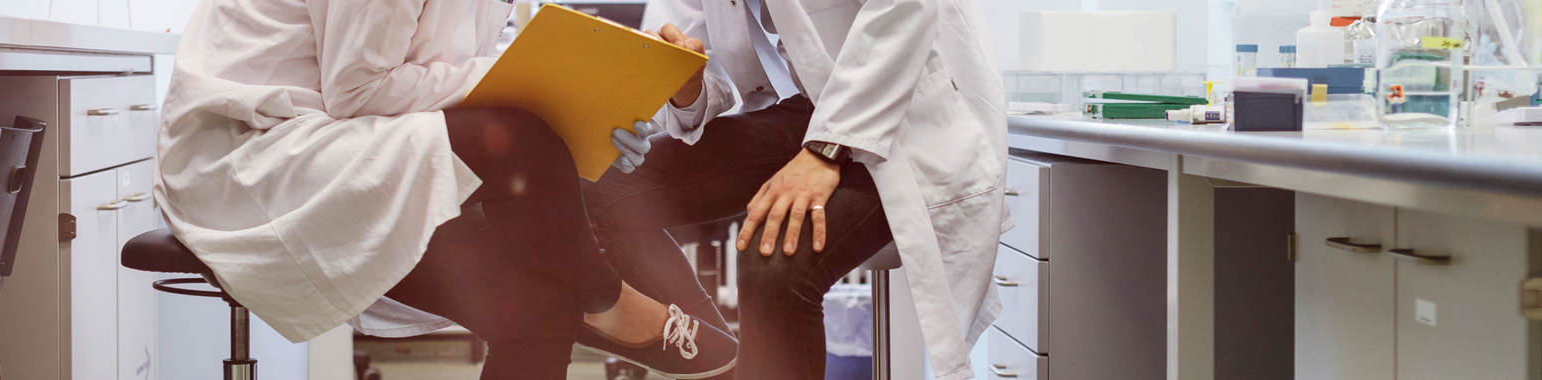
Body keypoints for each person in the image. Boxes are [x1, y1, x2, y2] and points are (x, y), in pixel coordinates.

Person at [152, 0, 736, 379]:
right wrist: (528, 88)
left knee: (539, 305)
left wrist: (590, 108)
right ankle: (609, 298)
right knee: (520, 137)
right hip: (256, 154)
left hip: (354, 147)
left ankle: (590, 295)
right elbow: (358, 89)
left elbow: (455, 63)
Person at [584, 0, 1011, 379]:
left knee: (776, 259)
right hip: (807, 105)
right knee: (605, 187)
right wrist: (685, 87)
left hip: (905, 116)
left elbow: (904, 9)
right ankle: (718, 364)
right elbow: (697, 60)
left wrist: (825, 150)